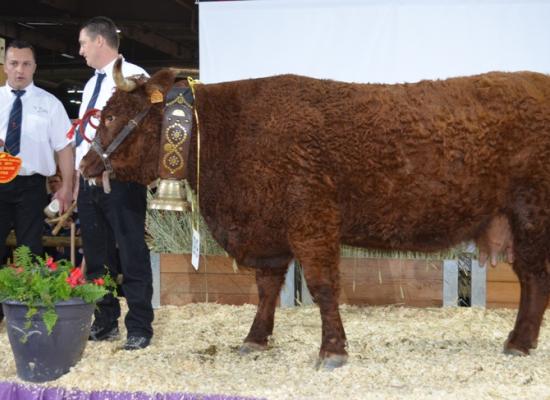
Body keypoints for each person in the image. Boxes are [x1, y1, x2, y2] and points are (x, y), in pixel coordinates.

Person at [75, 16, 153, 350]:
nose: (80, 51)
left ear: (99, 42)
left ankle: (139, 326)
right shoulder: (92, 83)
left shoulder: (135, 77)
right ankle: (106, 322)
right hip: (89, 183)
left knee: (132, 251)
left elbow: (146, 134)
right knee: (97, 256)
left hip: (121, 183)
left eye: (82, 43)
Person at [0, 40, 73, 264]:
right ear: (5, 65)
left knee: (30, 250)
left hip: (32, 185)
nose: (19, 69)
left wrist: (67, 187)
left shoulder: (51, 104)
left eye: (26, 63)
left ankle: (24, 299)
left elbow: (65, 147)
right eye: (14, 63)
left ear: (34, 66)